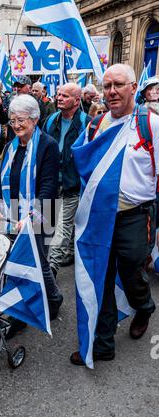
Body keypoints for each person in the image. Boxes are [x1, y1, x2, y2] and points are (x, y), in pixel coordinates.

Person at [70, 64, 159, 367]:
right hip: (100, 217)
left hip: (136, 215)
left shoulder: (151, 124)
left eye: (118, 84)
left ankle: (144, 306)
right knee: (103, 277)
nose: (111, 91)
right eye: (106, 86)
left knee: (133, 269)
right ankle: (103, 344)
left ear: (134, 87)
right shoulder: (97, 124)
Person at [0, 94, 63, 331]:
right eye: (12, 121)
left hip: (40, 213)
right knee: (15, 261)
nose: (16, 125)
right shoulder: (10, 147)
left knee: (37, 262)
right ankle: (21, 308)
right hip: (12, 216)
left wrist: (31, 217)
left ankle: (52, 299)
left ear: (34, 119)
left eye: (21, 120)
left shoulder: (48, 145)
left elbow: (49, 186)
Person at [43, 83, 91, 274]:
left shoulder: (86, 123)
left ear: (77, 100)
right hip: (51, 184)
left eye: (65, 96)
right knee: (47, 226)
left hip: (72, 186)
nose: (59, 98)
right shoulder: (50, 120)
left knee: (62, 228)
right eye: (58, 95)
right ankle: (64, 253)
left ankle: (50, 270)